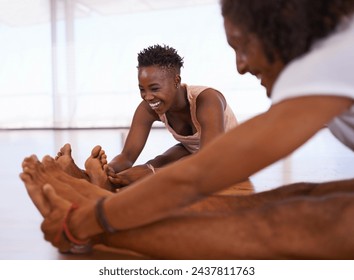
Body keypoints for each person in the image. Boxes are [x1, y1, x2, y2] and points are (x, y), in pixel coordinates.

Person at [20, 0, 354, 259]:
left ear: (282, 29)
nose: (240, 65)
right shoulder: (336, 48)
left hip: (206, 157)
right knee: (299, 196)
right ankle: (94, 199)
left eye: (243, 45)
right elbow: (140, 157)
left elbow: (203, 172)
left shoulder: (329, 59)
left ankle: (92, 226)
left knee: (301, 220)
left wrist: (89, 220)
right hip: (190, 156)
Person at [54, 44, 238, 190]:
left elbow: (208, 157)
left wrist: (151, 173)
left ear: (176, 81)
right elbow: (127, 156)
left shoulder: (207, 99)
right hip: (194, 153)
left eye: (155, 88)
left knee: (155, 169)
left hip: (224, 159)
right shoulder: (148, 108)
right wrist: (109, 169)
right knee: (157, 162)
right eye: (142, 89)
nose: (148, 96)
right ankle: (89, 177)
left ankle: (104, 183)